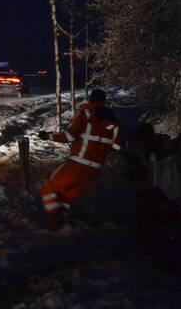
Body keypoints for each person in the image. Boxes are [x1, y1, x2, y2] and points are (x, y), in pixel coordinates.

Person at [36, 88, 122, 232]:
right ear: (104, 101)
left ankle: (53, 226)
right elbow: (117, 147)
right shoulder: (114, 123)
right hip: (94, 172)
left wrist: (48, 136)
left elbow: (69, 137)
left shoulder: (86, 114)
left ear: (90, 99)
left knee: (48, 188)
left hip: (77, 165)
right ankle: (61, 229)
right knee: (66, 198)